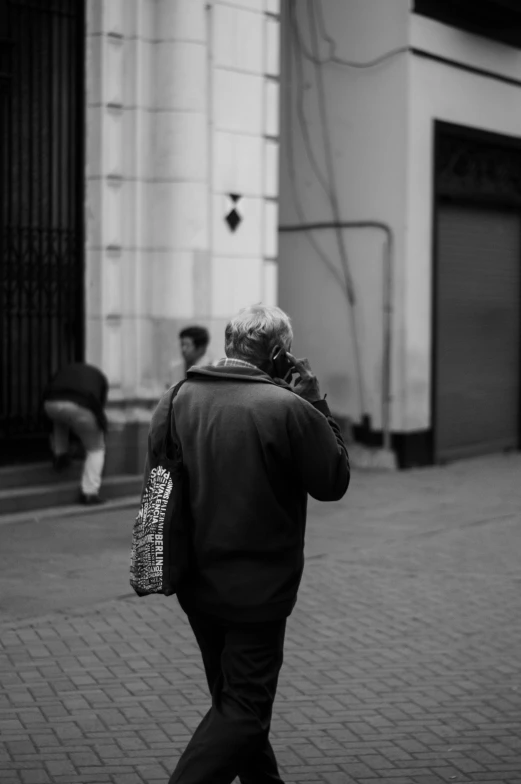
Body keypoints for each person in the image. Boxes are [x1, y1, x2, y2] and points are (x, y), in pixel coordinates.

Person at [144, 304, 350, 784]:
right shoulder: (287, 408)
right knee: (244, 710)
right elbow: (333, 480)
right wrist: (316, 401)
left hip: (195, 584)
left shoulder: (174, 399)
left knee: (233, 703)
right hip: (258, 590)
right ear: (279, 354)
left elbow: (157, 483)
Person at [42, 362, 108, 505]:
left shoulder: (64, 371)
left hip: (50, 403)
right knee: (96, 449)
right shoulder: (100, 379)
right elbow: (98, 407)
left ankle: (60, 455)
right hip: (80, 407)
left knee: (60, 420)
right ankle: (90, 493)